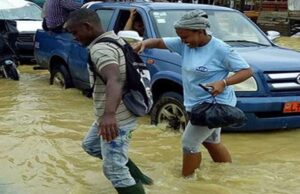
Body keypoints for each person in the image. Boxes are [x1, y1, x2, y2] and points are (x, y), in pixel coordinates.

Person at [133, 10, 253, 177]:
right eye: (181, 38)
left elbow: (247, 71)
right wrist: (144, 44)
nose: (183, 41)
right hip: (195, 103)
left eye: (186, 37)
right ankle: (227, 175)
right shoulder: (184, 44)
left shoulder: (221, 49)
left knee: (189, 143)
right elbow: (159, 42)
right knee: (211, 141)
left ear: (200, 31)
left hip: (214, 106)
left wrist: (223, 82)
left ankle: (187, 182)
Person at [64, 9, 153, 194]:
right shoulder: (114, 38)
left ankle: (131, 181)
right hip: (117, 111)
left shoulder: (100, 48)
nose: (75, 37)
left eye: (75, 32)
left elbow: (115, 78)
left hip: (116, 116)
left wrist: (109, 115)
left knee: (114, 170)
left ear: (87, 26)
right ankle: (140, 179)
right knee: (91, 146)